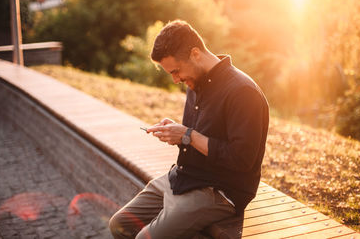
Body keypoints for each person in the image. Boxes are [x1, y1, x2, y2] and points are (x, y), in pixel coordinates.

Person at [109, 20, 269, 239]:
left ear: (195, 54)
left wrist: (187, 135)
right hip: (185, 176)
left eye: (176, 71)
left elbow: (241, 159)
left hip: (220, 191)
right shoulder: (195, 82)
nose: (176, 80)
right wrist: (177, 133)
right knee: (119, 224)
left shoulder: (242, 91)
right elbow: (200, 134)